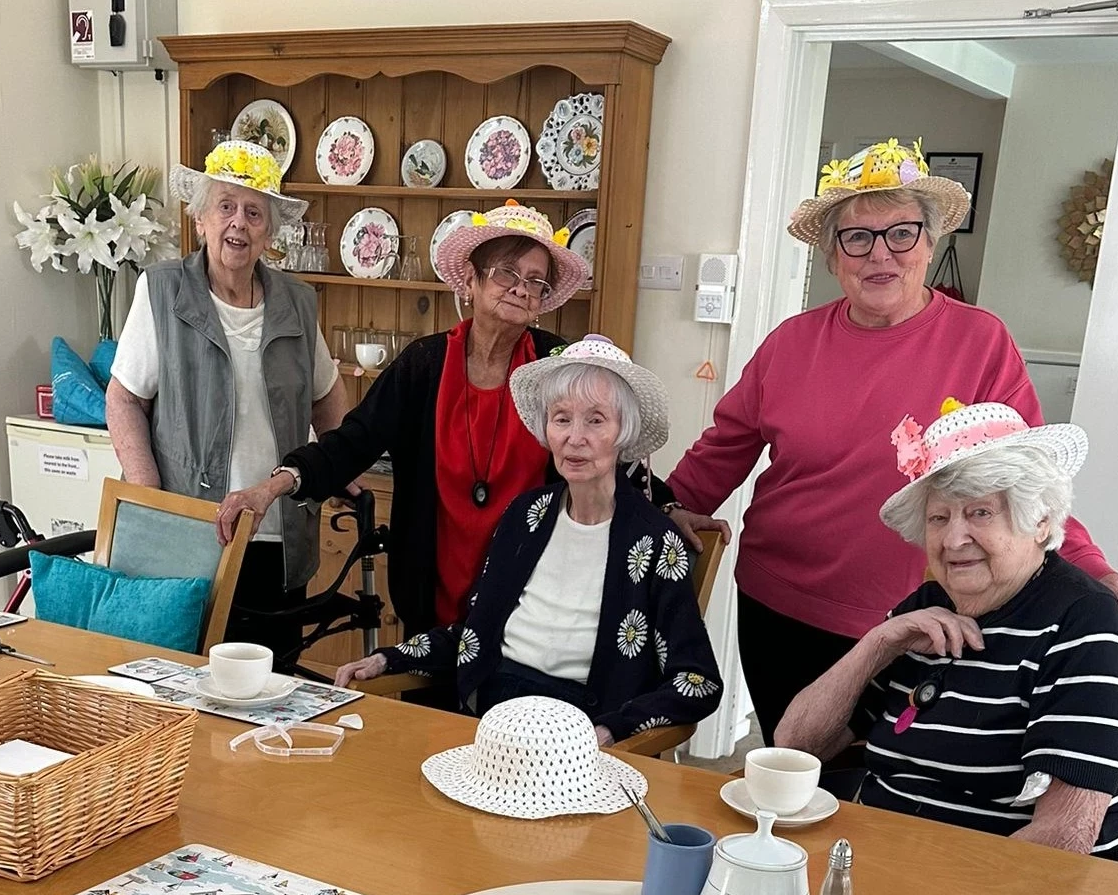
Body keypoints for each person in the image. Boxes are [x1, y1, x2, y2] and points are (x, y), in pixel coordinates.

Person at [661, 138, 1118, 739]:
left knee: (891, 782)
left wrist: (1085, 562)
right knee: (794, 768)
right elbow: (724, 448)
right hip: (780, 604)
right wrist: (669, 507)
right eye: (858, 237)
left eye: (902, 233)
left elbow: (1028, 467)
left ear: (929, 245)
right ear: (832, 255)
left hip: (922, 610)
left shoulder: (979, 341)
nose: (882, 254)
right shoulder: (789, 343)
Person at [223, 201, 618, 644]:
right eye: (507, 272)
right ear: (471, 279)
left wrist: (670, 507)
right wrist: (273, 485)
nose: (521, 289)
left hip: (533, 608)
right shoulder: (425, 365)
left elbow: (603, 449)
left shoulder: (554, 365)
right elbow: (355, 441)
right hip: (431, 600)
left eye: (535, 281)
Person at [776, 400, 1118, 861]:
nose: (953, 540)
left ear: (1041, 521)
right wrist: (877, 644)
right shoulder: (927, 606)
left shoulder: (1084, 622)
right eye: (939, 518)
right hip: (885, 856)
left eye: (980, 513)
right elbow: (795, 745)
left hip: (1003, 887)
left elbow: (1063, 837)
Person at [334, 337, 722, 744]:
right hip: (492, 717)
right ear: (545, 429)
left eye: (595, 420)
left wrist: (612, 728)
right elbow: (473, 633)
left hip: (581, 730)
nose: (575, 437)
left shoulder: (656, 542)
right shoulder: (526, 516)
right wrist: (388, 658)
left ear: (623, 432)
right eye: (561, 418)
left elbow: (697, 680)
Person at [105, 141, 347, 661]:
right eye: (226, 206)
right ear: (201, 219)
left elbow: (327, 398)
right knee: (185, 677)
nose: (239, 223)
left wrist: (337, 464)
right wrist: (150, 494)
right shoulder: (163, 291)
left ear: (270, 231)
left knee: (271, 680)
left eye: (254, 212)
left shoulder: (297, 302)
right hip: (189, 531)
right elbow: (123, 399)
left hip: (276, 529)